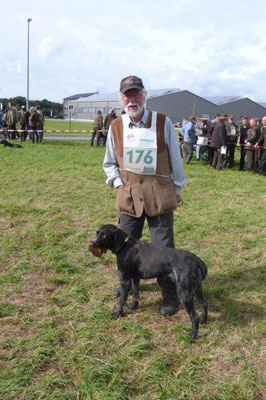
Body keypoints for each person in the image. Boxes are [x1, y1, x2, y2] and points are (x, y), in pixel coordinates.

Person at [103, 75, 186, 317]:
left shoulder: (163, 122)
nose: (132, 99)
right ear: (121, 99)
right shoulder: (116, 126)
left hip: (159, 196)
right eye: (127, 95)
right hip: (128, 197)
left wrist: (177, 188)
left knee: (164, 250)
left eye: (136, 93)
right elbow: (109, 163)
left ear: (145, 95)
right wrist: (118, 184)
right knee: (124, 248)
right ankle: (126, 287)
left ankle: (170, 297)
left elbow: (175, 158)